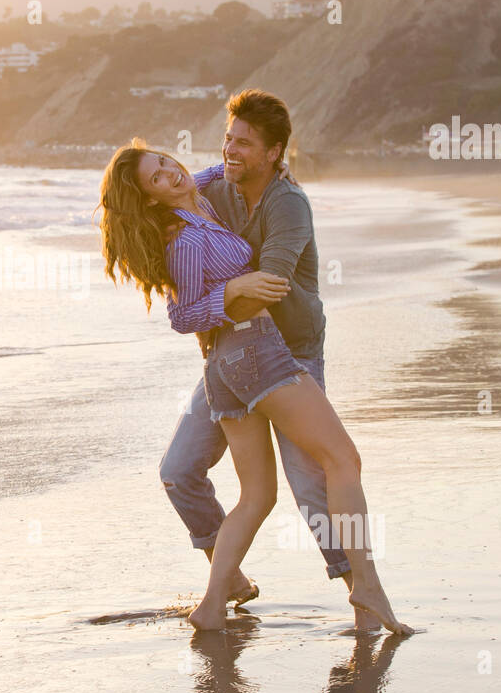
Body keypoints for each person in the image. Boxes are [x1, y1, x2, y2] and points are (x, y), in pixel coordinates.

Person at [97, 123, 413, 635]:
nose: (171, 172)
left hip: (227, 363)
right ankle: (368, 586)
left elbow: (216, 171)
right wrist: (235, 288)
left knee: (258, 495)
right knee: (342, 460)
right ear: (150, 198)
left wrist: (262, 165)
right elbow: (182, 316)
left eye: (165, 161)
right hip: (254, 353)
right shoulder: (184, 236)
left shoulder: (195, 196)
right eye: (157, 176)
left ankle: (212, 604)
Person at [162, 89, 381, 632]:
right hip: (231, 353)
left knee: (311, 483)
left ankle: (362, 595)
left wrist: (220, 298)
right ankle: (226, 577)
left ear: (274, 152)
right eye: (228, 139)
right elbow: (171, 201)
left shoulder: (289, 204)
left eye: (244, 143)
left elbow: (271, 288)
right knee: (179, 471)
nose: (231, 150)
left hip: (293, 354)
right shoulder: (216, 185)